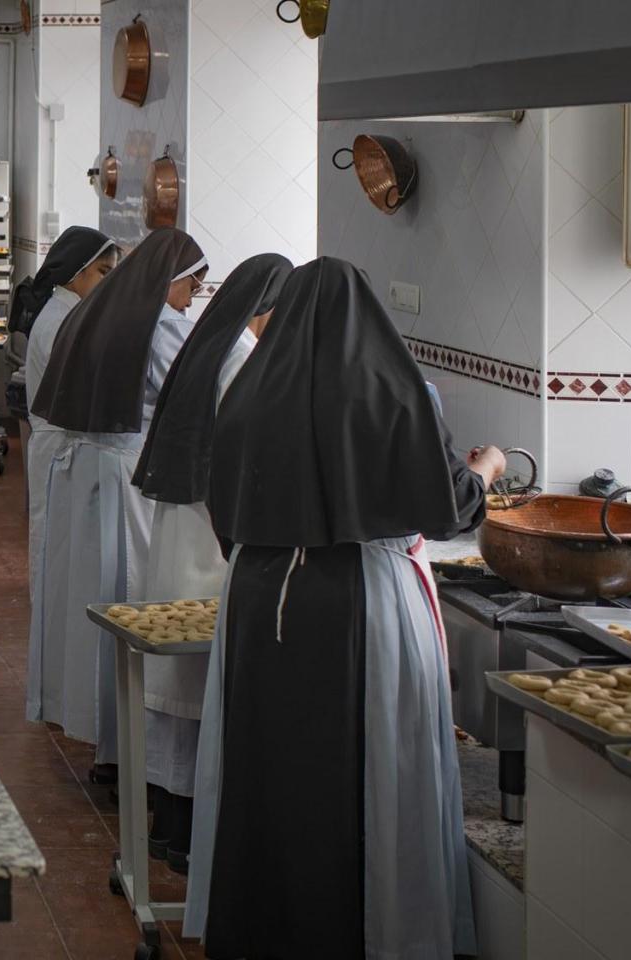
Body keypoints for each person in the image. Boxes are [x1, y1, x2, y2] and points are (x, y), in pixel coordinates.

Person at [185, 258, 501, 959]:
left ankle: (265, 929)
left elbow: (226, 509)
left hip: (261, 594)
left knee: (267, 765)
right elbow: (448, 507)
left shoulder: (247, 391)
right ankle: (371, 930)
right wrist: (488, 470)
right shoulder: (395, 391)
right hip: (362, 596)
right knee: (369, 765)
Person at [129, 253, 292, 872]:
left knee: (180, 699)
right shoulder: (242, 361)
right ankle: (192, 838)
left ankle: (171, 828)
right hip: (209, 539)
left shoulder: (209, 346)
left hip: (181, 528)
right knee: (200, 695)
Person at [26, 227, 207, 781]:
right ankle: (126, 748)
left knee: (92, 597)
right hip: (129, 475)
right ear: (171, 281)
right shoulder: (163, 325)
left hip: (88, 472)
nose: (190, 300)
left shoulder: (98, 309)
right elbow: (191, 395)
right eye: (191, 288)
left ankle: (104, 737)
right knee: (129, 601)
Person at [13, 226, 119, 584]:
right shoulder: (61, 319)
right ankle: (48, 622)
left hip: (60, 443)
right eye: (103, 273)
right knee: (51, 541)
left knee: (59, 538)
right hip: (58, 444)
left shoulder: (67, 311)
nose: (107, 283)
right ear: (76, 272)